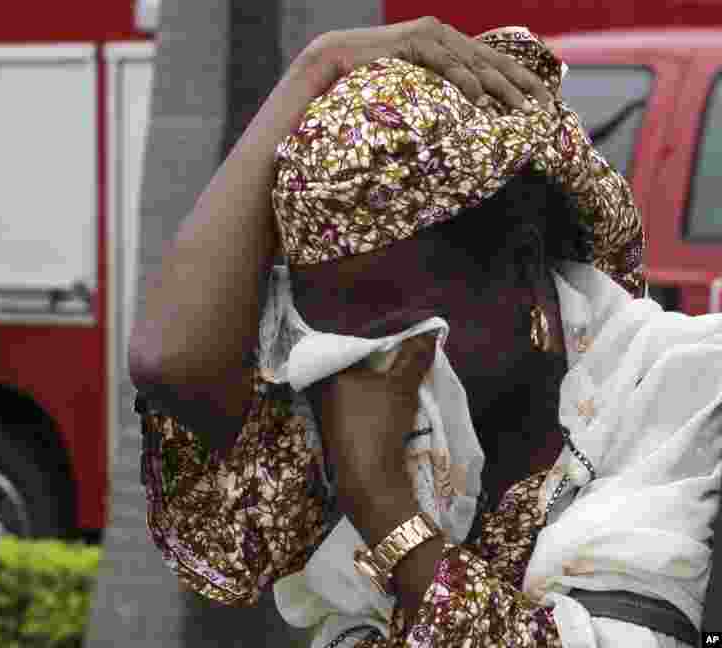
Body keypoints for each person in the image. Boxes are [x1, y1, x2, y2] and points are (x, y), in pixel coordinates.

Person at [129, 17, 721, 647]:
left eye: (384, 307)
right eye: (325, 312)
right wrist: (317, 66)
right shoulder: (359, 399)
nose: (357, 350)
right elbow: (170, 365)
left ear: (518, 268)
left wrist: (386, 511)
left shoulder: (675, 393)